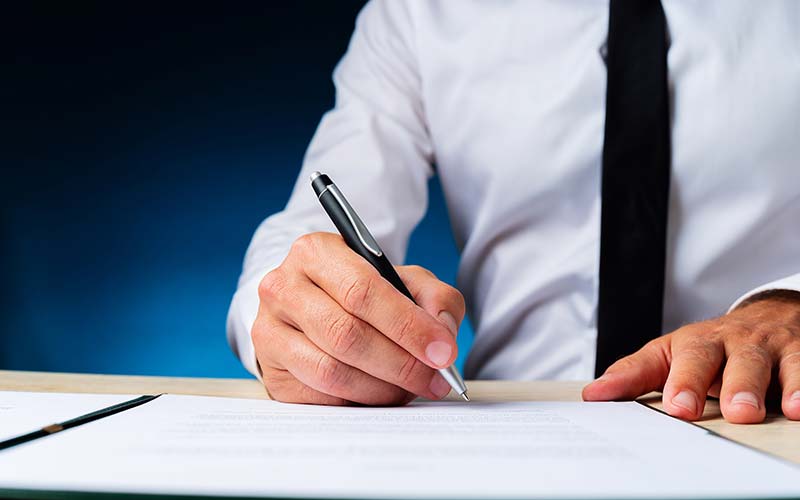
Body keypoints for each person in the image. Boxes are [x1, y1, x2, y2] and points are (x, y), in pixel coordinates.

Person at [227, 0, 800, 424]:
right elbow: (320, 223)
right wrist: (298, 310)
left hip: (758, 415)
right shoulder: (419, 12)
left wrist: (788, 302)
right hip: (506, 431)